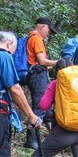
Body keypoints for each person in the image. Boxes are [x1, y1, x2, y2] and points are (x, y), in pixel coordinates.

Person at [18, 16, 58, 149]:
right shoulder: (36, 38)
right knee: (40, 105)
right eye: (48, 30)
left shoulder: (30, 37)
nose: (48, 34)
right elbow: (41, 61)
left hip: (35, 74)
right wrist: (59, 62)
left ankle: (52, 137)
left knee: (46, 109)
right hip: (37, 75)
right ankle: (31, 139)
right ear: (42, 27)